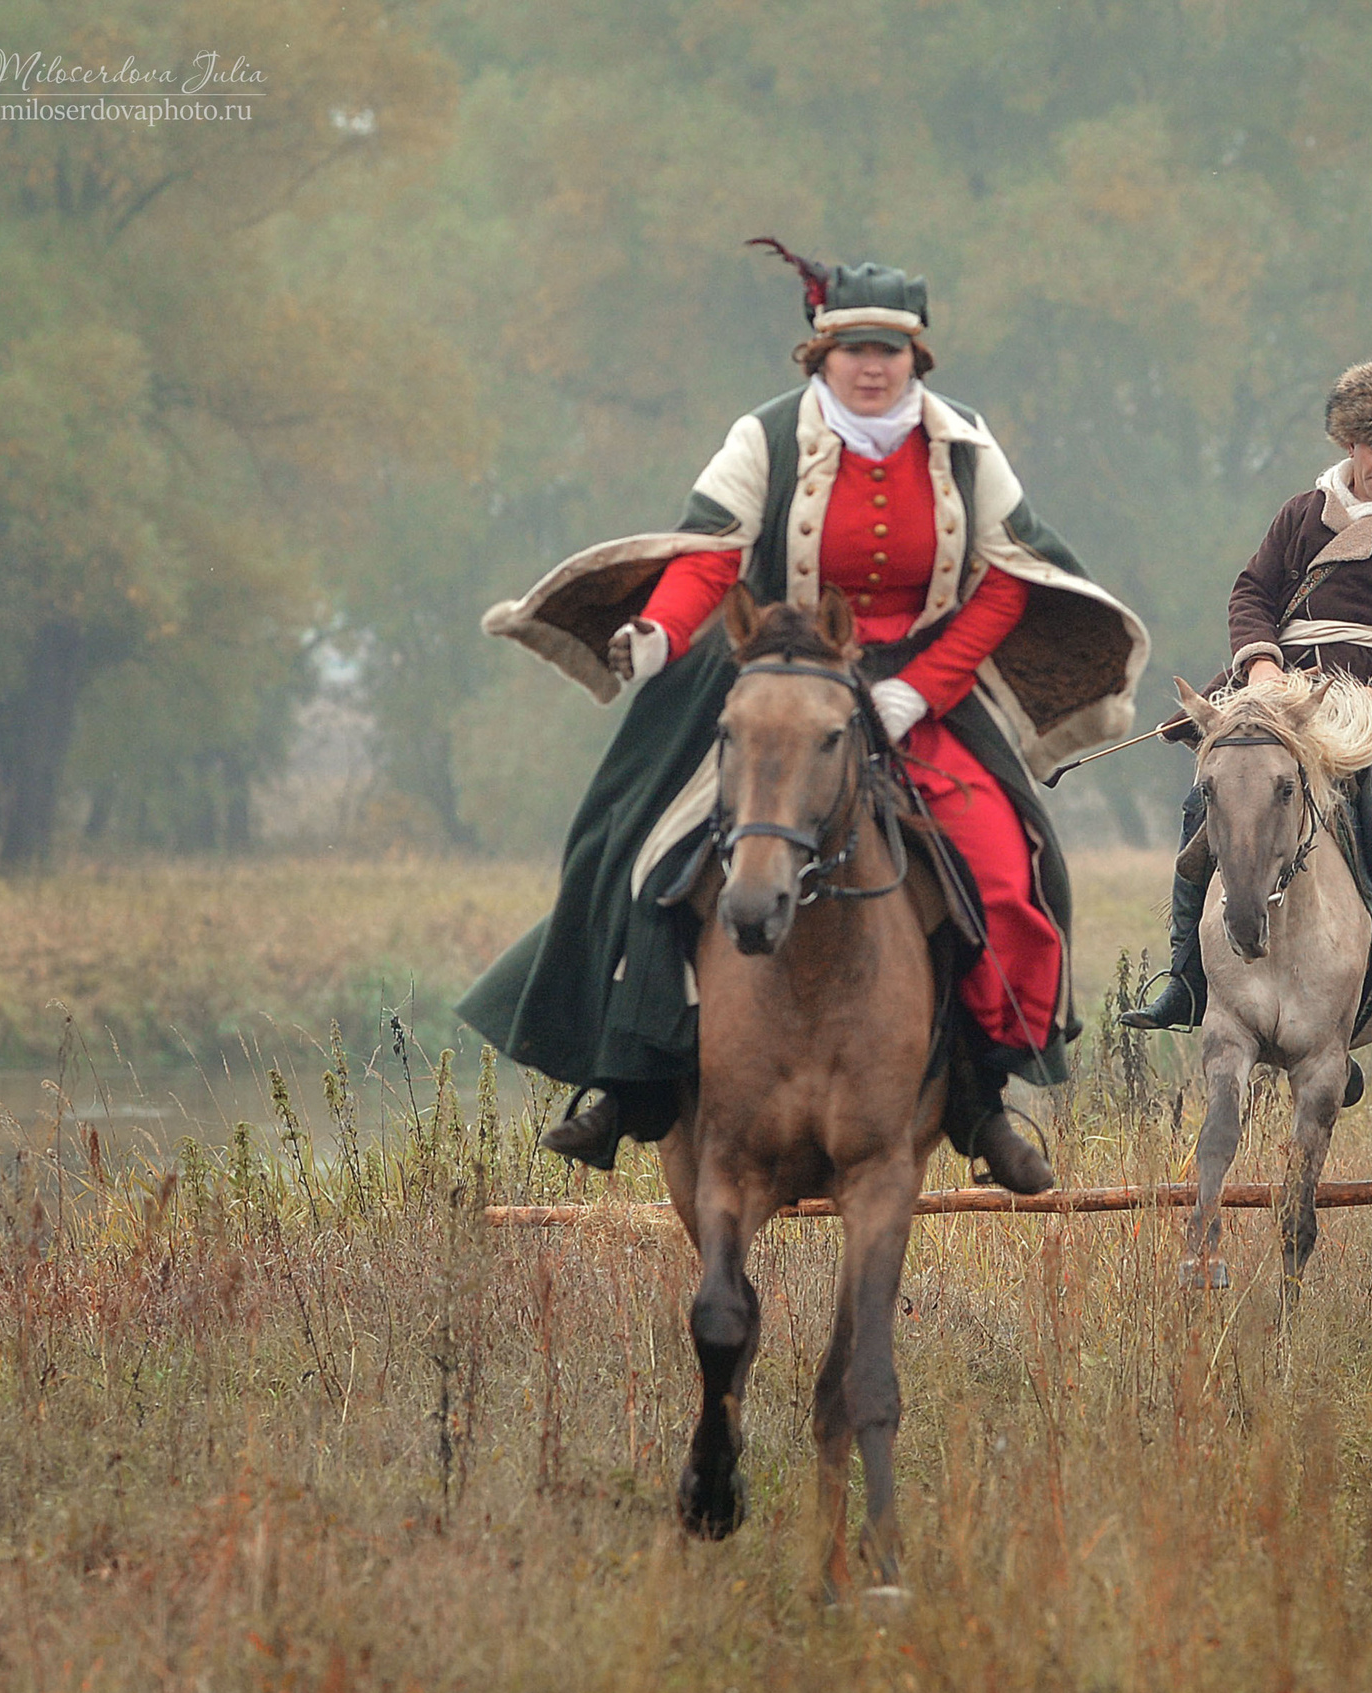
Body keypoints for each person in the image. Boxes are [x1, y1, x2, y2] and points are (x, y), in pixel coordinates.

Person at [461, 251, 1148, 1191]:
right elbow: (712, 556)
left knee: (1011, 866)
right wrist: (660, 632)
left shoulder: (965, 445)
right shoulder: (765, 436)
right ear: (820, 355)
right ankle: (629, 1081)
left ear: (916, 359)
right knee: (642, 854)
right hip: (773, 675)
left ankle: (982, 1098)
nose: (872, 366)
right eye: (853, 349)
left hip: (918, 689)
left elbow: (1006, 584)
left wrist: (921, 689)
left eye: (889, 351)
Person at [1120, 360, 1372, 1061]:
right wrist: (1259, 662)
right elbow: (1252, 592)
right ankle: (1186, 978)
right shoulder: (1301, 513)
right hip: (1282, 681)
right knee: (1204, 805)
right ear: (1351, 444)